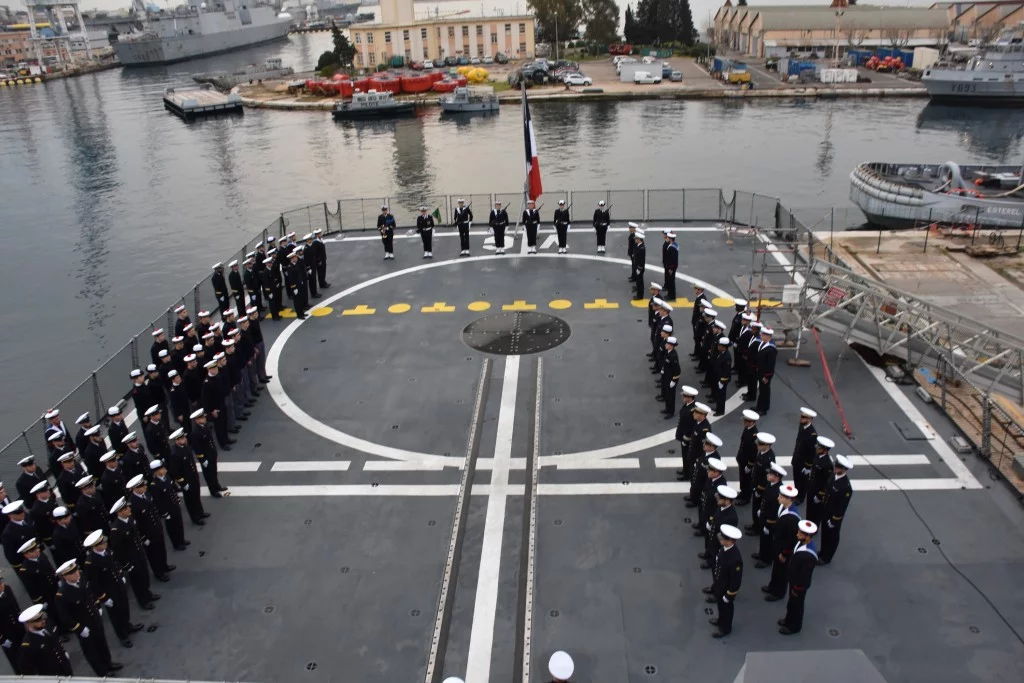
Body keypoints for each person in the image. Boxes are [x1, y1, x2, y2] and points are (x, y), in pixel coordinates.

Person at [54, 558, 122, 675]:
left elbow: (90, 593)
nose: (76, 573)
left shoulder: (82, 579)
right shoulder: (62, 594)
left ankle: (108, 663)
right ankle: (102, 672)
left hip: (94, 618)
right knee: (92, 651)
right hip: (84, 626)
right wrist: (79, 629)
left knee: (102, 643)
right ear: (64, 576)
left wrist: (97, 606)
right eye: (71, 573)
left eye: (76, 570)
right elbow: (64, 617)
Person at [82, 529, 144, 648]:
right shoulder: (91, 563)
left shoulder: (107, 551)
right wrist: (103, 598)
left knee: (124, 607)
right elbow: (94, 584)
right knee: (116, 615)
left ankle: (127, 625)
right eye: (102, 543)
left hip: (118, 585)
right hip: (109, 592)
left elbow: (114, 564)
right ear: (95, 546)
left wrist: (120, 574)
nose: (105, 543)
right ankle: (122, 636)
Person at [107, 498, 158, 611]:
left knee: (144, 575)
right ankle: (143, 601)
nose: (129, 509)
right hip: (131, 559)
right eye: (126, 508)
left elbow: (136, 532)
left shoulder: (129, 519)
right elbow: (118, 550)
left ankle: (148, 593)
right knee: (137, 581)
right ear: (120, 512)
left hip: (139, 553)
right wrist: (126, 565)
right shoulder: (116, 529)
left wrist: (143, 541)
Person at [126, 475, 174, 582]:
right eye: (142, 486)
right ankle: (158, 572)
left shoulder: (146, 495)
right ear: (135, 489)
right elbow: (135, 524)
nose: (145, 487)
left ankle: (164, 565)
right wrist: (143, 538)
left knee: (161, 549)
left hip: (156, 528)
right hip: (147, 533)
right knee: (153, 554)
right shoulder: (133, 503)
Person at [779, 520, 819, 635]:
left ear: (808, 537)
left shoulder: (808, 555)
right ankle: (788, 620)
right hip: (793, 580)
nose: (797, 534)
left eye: (801, 534)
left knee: (797, 605)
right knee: (791, 603)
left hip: (799, 585)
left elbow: (805, 576)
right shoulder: (801, 543)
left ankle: (794, 626)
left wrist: (798, 588)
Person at [704, 524, 743, 638]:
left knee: (727, 608)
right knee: (720, 606)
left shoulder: (735, 559)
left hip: (726, 589)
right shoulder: (724, 549)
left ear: (730, 540)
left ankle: (725, 628)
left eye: (723, 538)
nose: (720, 538)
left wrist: (730, 594)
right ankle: (721, 620)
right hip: (720, 586)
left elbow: (736, 580)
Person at [763, 484, 801, 601]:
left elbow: (792, 539)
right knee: (776, 568)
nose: (778, 497)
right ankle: (772, 586)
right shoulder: (783, 507)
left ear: (789, 499)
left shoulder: (792, 518)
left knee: (782, 571)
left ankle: (778, 592)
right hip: (778, 544)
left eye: (781, 496)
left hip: (784, 549)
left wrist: (785, 553)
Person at [16, 604, 72, 677]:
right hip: (51, 677)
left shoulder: (48, 625)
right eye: (37, 620)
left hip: (65, 669)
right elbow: (26, 670)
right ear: (28, 624)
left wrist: (63, 652)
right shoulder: (28, 645)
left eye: (42, 618)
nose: (43, 621)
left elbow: (56, 641)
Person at [167, 428, 209, 525]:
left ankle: (200, 512)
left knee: (196, 495)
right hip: (186, 480)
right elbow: (174, 471)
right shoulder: (175, 453)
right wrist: (183, 483)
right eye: (182, 438)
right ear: (177, 440)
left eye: (184, 437)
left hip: (193, 476)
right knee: (190, 500)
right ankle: (195, 517)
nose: (185, 439)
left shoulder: (185, 446)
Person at [818, 455, 853, 565]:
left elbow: (841, 507)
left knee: (831, 537)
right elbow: (827, 490)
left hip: (833, 517)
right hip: (826, 512)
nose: (835, 468)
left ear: (844, 469)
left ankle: (826, 557)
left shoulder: (846, 487)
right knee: (824, 534)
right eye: (836, 465)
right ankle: (822, 552)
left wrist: (834, 520)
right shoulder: (833, 476)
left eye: (838, 467)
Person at [148, 460, 188, 552]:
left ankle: (181, 539)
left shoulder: (166, 477)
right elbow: (158, 502)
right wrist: (164, 513)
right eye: (162, 468)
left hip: (174, 505)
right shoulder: (154, 485)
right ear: (157, 471)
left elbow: (172, 489)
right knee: (172, 527)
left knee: (179, 523)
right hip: (168, 509)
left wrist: (177, 499)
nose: (165, 469)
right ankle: (176, 543)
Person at [753, 463, 787, 569]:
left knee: (768, 541)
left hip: (770, 521)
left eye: (770, 474)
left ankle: (766, 559)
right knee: (763, 539)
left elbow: (775, 510)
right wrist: (761, 510)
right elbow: (765, 501)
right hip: (765, 516)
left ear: (776, 477)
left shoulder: (778, 491)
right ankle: (762, 553)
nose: (767, 475)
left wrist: (768, 524)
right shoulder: (770, 484)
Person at [190, 409, 228, 497]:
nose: (204, 418)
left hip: (211, 454)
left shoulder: (205, 426)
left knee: (214, 471)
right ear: (197, 420)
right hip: (205, 457)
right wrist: (202, 459)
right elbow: (197, 448)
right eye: (202, 417)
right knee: (209, 474)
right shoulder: (195, 432)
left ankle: (217, 486)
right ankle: (213, 490)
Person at [701, 485, 739, 570]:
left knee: (716, 568)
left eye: (720, 498)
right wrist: (711, 523)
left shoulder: (731, 518)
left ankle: (712, 562)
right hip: (714, 538)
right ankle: (709, 558)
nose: (718, 499)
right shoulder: (721, 506)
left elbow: (728, 537)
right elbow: (715, 517)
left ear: (727, 501)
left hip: (719, 543)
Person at [746, 432, 776, 536]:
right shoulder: (761, 453)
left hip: (761, 489)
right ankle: (755, 524)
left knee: (759, 508)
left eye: (760, 444)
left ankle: (758, 528)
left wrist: (759, 489)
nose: (758, 445)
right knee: (755, 507)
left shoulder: (769, 459)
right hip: (755, 484)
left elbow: (766, 478)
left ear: (767, 445)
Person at [791, 407, 818, 504]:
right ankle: (797, 493)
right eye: (801, 416)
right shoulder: (802, 426)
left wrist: (808, 466)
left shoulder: (812, 434)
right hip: (797, 459)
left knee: (802, 481)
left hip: (803, 463)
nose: (801, 418)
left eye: (803, 417)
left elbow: (811, 452)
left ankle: (800, 497)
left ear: (810, 419)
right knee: (796, 478)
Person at [807, 436, 835, 524]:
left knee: (816, 511)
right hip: (811, 487)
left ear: (825, 450)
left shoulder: (827, 464)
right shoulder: (817, 455)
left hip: (818, 491)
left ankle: (814, 526)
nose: (817, 449)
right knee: (809, 508)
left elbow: (827, 482)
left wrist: (820, 495)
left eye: (819, 448)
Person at [0, 571, 24, 674]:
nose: (2, 586)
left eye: (1, 583)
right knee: (16, 659)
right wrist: (2, 640)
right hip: (7, 634)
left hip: (18, 628)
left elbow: (15, 607)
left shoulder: (7, 589)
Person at [735, 409, 760, 505]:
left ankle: (746, 497)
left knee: (747, 479)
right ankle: (743, 492)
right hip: (742, 459)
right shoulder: (747, 429)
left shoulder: (754, 434)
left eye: (746, 421)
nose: (744, 422)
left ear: (752, 422)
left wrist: (750, 465)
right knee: (742, 477)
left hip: (747, 461)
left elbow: (753, 452)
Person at [674, 386, 699, 481]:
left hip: (687, 437)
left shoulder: (692, 409)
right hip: (683, 434)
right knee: (684, 455)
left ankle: (687, 474)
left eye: (684, 396)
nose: (683, 398)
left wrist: (686, 438)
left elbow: (690, 426)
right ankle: (685, 470)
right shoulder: (688, 405)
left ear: (689, 397)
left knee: (687, 456)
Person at [755, 327, 778, 415]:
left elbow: (770, 365)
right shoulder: (763, 343)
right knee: (762, 390)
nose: (761, 335)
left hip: (765, 375)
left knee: (765, 391)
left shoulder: (771, 349)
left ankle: (763, 409)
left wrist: (766, 376)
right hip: (761, 372)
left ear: (768, 336)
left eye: (763, 334)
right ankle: (759, 406)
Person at [659, 337, 681, 419]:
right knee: (667, 395)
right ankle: (667, 408)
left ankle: (671, 411)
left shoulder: (673, 356)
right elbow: (666, 363)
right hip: (666, 377)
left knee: (671, 396)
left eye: (667, 344)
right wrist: (663, 369)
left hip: (671, 378)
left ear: (671, 345)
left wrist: (674, 380)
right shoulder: (668, 352)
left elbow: (677, 370)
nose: (665, 345)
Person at [711, 336, 732, 416]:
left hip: (723, 379)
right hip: (719, 377)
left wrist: (722, 381)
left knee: (721, 396)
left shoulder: (727, 357)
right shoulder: (722, 353)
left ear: (724, 347)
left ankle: (720, 411)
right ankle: (718, 407)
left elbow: (726, 371)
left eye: (719, 346)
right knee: (718, 395)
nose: (718, 347)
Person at [286, 251, 309, 319]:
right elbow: (291, 279)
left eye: (296, 257)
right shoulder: (290, 267)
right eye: (295, 257)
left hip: (299, 284)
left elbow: (299, 274)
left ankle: (302, 313)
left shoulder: (295, 264)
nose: (296, 258)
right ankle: (299, 315)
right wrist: (294, 288)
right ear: (292, 259)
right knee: (297, 301)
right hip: (295, 286)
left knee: (301, 300)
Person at [663, 232, 679, 300]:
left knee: (671, 281)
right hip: (672, 266)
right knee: (670, 280)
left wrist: (670, 268)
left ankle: (671, 295)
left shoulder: (671, 248)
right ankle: (670, 294)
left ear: (670, 239)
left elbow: (672, 259)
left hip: (671, 267)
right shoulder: (674, 245)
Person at [632, 231, 646, 299]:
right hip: (637, 266)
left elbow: (641, 260)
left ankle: (640, 296)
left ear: (639, 239)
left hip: (639, 268)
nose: (635, 239)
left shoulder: (642, 248)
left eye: (636, 238)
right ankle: (639, 292)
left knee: (640, 281)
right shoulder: (638, 245)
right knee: (638, 281)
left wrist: (639, 269)